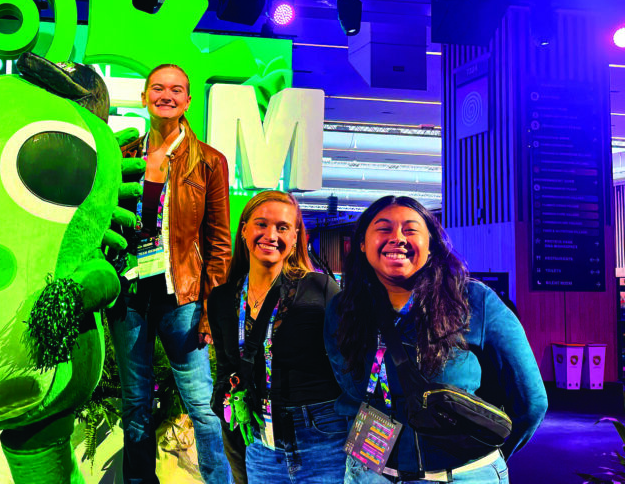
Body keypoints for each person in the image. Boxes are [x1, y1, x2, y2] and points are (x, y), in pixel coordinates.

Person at [324, 196, 547, 484]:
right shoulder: (344, 308)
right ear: (363, 244)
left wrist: (485, 455)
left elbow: (532, 403)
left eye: (410, 229)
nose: (397, 238)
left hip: (459, 476)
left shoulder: (474, 301)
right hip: (370, 473)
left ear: (431, 246)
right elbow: (349, 391)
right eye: (383, 228)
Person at [108, 63, 233, 484]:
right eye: (157, 88)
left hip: (182, 296)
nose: (166, 95)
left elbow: (219, 243)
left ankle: (219, 480)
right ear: (144, 97)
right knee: (136, 404)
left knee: (201, 404)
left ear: (187, 100)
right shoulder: (121, 156)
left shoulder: (209, 161)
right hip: (128, 293)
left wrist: (211, 309)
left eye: (176, 89)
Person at [208, 190, 346, 484]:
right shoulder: (221, 299)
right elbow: (224, 369)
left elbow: (348, 366)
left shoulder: (321, 289)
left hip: (322, 437)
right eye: (261, 224)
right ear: (244, 229)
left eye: (282, 227)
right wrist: (227, 399)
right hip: (261, 443)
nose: (270, 234)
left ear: (296, 237)